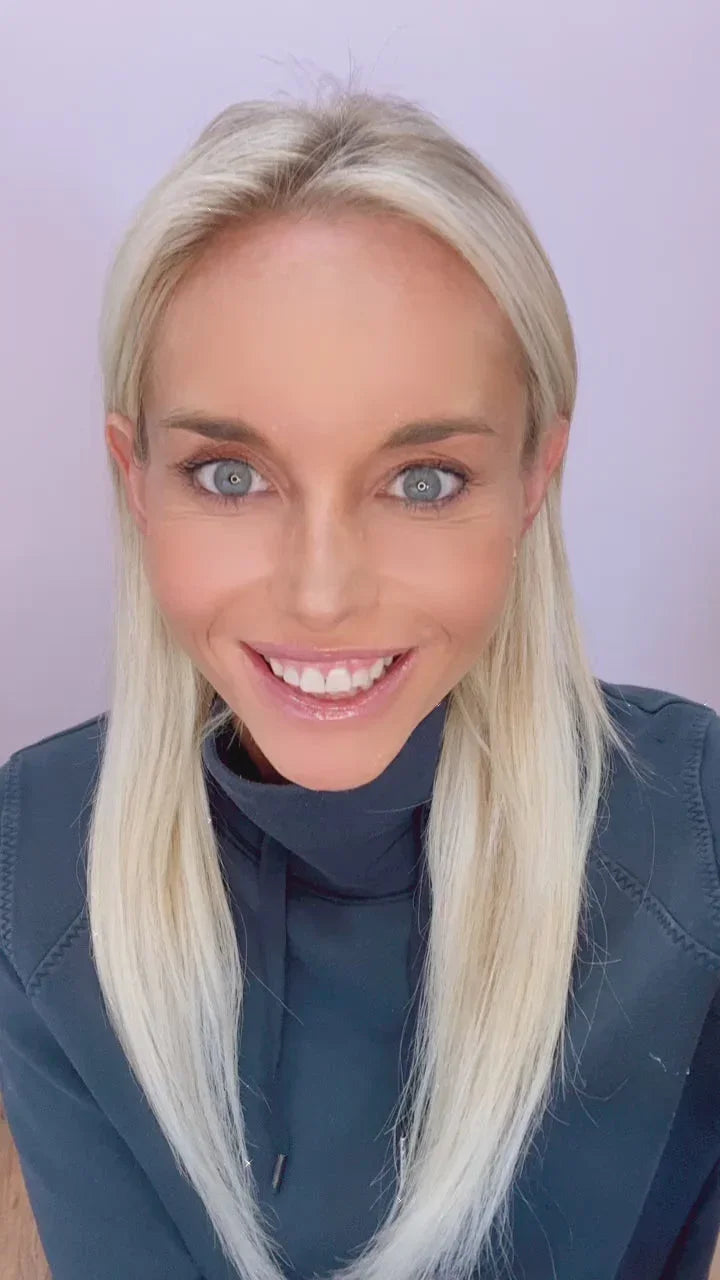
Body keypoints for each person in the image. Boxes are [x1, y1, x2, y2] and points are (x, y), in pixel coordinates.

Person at [0, 81, 718, 1280]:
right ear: (135, 477)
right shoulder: (34, 856)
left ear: (537, 473)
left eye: (425, 478)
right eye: (231, 475)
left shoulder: (694, 829)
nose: (322, 592)